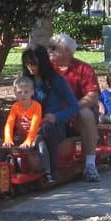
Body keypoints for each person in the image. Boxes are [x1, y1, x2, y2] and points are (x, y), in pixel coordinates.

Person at [20, 43, 80, 183]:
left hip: (53, 126)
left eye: (33, 64)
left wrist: (56, 117)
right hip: (33, 124)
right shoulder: (26, 82)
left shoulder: (56, 81)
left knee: (47, 129)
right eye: (27, 64)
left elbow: (74, 106)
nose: (30, 68)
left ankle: (52, 171)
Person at [47, 33, 102, 182]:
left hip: (76, 113)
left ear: (68, 52)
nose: (50, 51)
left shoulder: (83, 69)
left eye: (54, 48)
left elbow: (93, 96)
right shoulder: (47, 69)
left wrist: (71, 109)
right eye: (49, 47)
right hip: (54, 112)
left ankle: (90, 164)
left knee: (85, 113)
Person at [0, 75, 43, 171]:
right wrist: (8, 139)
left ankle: (46, 170)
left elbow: (35, 125)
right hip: (21, 135)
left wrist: (29, 140)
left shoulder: (37, 106)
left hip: (34, 135)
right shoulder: (15, 107)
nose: (23, 95)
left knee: (41, 143)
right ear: (15, 94)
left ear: (32, 92)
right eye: (19, 92)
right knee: (3, 145)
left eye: (26, 92)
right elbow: (10, 123)